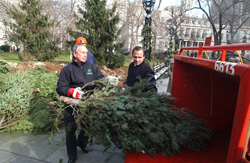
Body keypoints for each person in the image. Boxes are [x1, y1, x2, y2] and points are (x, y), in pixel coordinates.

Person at [56, 44, 104, 163]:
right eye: (82, 52)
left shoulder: (92, 67)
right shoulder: (67, 70)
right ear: (75, 54)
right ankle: (72, 156)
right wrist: (71, 91)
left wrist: (106, 82)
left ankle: (82, 143)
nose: (85, 55)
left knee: (87, 126)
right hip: (71, 104)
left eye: (86, 53)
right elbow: (60, 88)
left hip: (88, 103)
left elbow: (101, 80)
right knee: (70, 129)